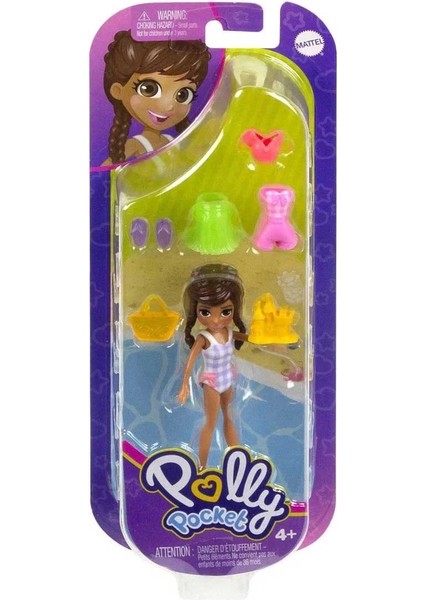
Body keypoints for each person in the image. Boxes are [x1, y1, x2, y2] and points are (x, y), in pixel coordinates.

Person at [102, 31, 211, 164]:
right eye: (149, 89)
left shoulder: (171, 141)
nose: (169, 105)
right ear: (118, 91)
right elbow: (105, 170)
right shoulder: (135, 145)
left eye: (183, 95)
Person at [178, 264, 248, 468]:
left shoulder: (230, 333)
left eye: (225, 311)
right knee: (210, 422)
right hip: (212, 382)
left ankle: (238, 461)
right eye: (206, 312)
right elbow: (190, 362)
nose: (216, 320)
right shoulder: (204, 338)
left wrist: (273, 340)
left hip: (227, 378)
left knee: (229, 417)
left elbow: (253, 338)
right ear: (196, 310)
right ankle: (201, 466)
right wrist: (184, 385)